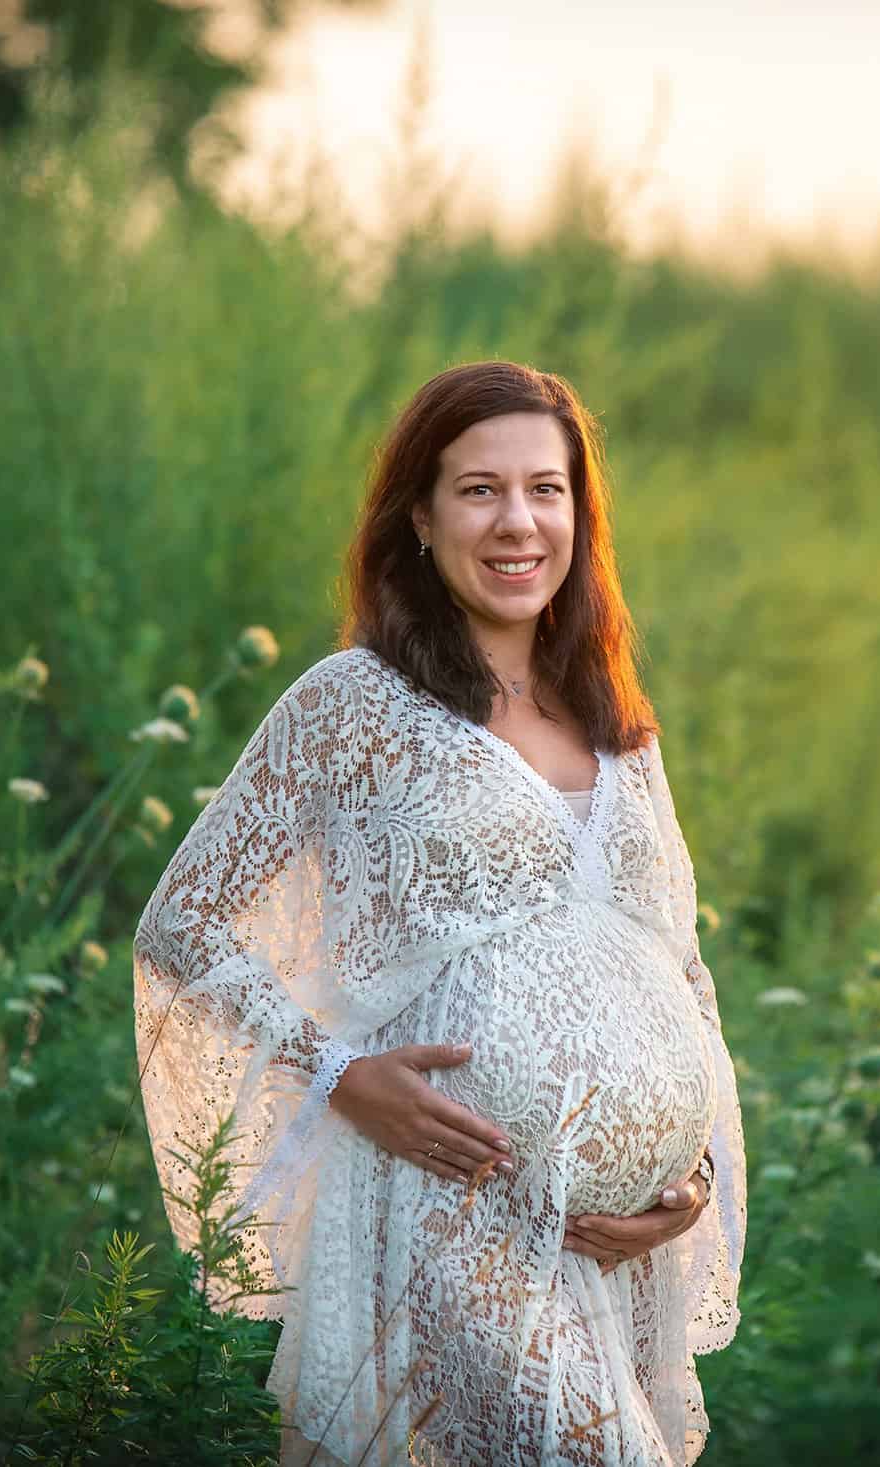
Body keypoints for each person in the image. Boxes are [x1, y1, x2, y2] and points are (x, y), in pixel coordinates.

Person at [134, 361, 746, 1466]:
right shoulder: (353, 705)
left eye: (545, 490)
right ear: (417, 518)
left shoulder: (618, 726)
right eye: (478, 491)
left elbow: (678, 975)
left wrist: (685, 1179)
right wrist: (337, 1079)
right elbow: (183, 925)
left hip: (612, 1249)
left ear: (580, 515)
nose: (517, 522)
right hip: (448, 1209)